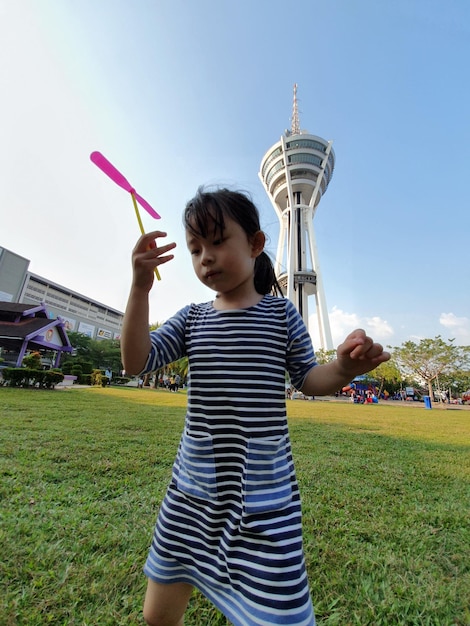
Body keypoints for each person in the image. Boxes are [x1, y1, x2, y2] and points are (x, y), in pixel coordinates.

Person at [121, 187, 390, 626]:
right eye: (195, 249)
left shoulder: (282, 315)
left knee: (279, 615)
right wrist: (139, 289)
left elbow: (308, 378)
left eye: (217, 241)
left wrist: (342, 369)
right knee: (157, 615)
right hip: (191, 495)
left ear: (256, 243)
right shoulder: (192, 318)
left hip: (264, 502)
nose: (205, 257)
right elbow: (136, 362)